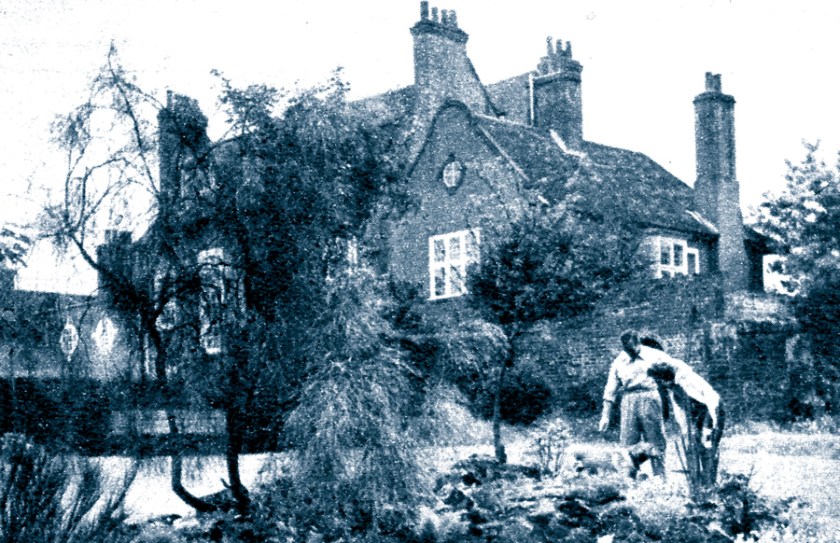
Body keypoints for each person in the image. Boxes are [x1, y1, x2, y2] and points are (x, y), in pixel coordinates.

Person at [599, 330, 669, 478]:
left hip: (650, 397)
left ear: (638, 344)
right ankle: (630, 479)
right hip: (628, 400)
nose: (630, 353)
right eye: (626, 350)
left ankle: (661, 478)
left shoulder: (655, 355)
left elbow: (673, 374)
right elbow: (610, 389)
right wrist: (605, 416)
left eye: (632, 349)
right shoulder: (620, 360)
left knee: (655, 441)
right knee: (627, 444)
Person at [646, 355, 725, 486]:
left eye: (659, 380)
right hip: (698, 416)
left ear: (665, 377)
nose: (658, 384)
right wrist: (687, 433)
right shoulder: (673, 390)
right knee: (692, 448)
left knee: (707, 447)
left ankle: (709, 485)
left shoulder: (686, 382)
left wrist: (706, 431)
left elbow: (708, 406)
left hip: (712, 412)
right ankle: (697, 485)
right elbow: (681, 413)